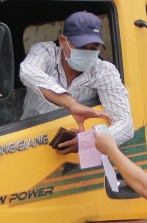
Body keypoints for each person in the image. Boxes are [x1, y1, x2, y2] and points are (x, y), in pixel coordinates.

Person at [19, 11, 133, 152]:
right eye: (81, 47)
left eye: (93, 48)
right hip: (27, 142)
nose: (87, 53)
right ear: (62, 41)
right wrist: (71, 104)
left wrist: (89, 141)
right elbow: (27, 71)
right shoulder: (46, 52)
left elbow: (125, 124)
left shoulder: (104, 71)